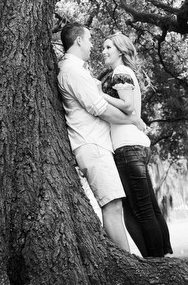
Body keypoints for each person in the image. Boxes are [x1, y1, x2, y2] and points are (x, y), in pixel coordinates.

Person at [57, 23, 147, 252]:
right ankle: (127, 261)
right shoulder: (72, 70)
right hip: (92, 144)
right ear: (78, 41)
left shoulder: (78, 70)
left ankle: (129, 259)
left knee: (116, 204)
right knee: (112, 205)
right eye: (89, 40)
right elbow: (100, 108)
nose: (92, 45)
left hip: (97, 145)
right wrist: (133, 120)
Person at [100, 31, 173, 258]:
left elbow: (128, 105)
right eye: (103, 47)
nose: (104, 51)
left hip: (128, 148)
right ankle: (163, 258)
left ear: (121, 51)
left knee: (141, 211)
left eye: (108, 47)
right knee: (145, 208)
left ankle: (157, 262)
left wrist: (98, 94)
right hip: (134, 146)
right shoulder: (125, 72)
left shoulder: (120, 71)